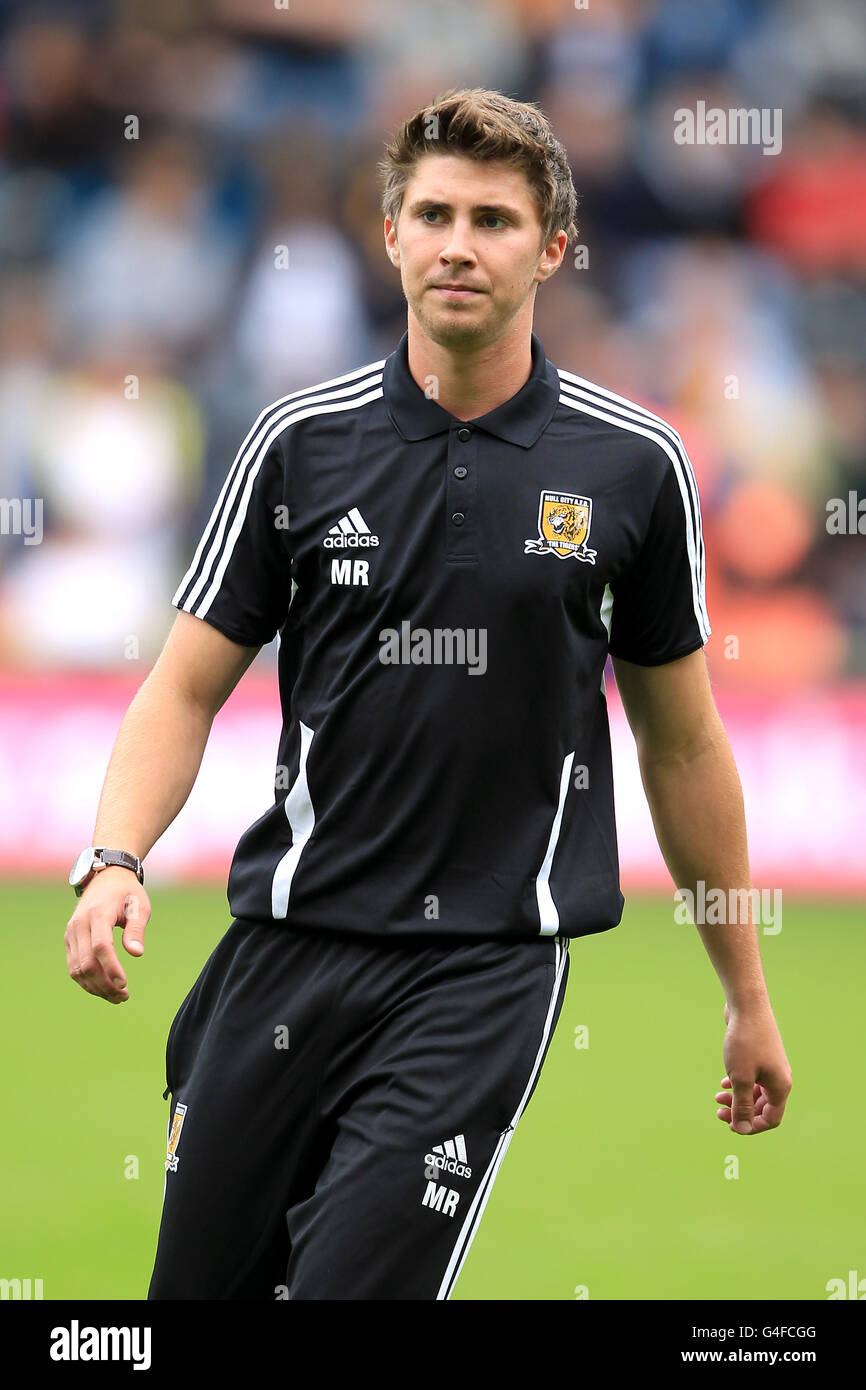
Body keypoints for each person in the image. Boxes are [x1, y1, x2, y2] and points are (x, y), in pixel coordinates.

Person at [64, 88, 792, 1301]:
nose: (460, 242)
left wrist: (745, 995)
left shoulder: (633, 466)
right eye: (435, 213)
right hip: (282, 957)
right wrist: (115, 854)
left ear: (551, 248)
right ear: (389, 231)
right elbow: (182, 687)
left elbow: (680, 747)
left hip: (480, 973)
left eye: (496, 220)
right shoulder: (295, 443)